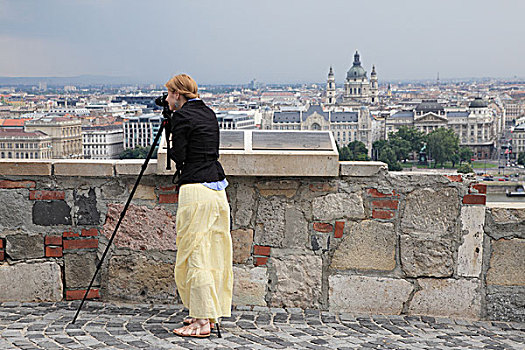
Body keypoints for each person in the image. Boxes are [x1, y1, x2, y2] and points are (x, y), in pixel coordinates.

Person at [166, 74, 232, 338]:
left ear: (178, 95)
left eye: (170, 94)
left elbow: (180, 156)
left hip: (195, 189)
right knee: (214, 253)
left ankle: (202, 322)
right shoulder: (209, 113)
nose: (168, 98)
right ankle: (206, 312)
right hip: (217, 188)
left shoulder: (181, 117)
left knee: (194, 255)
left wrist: (172, 125)